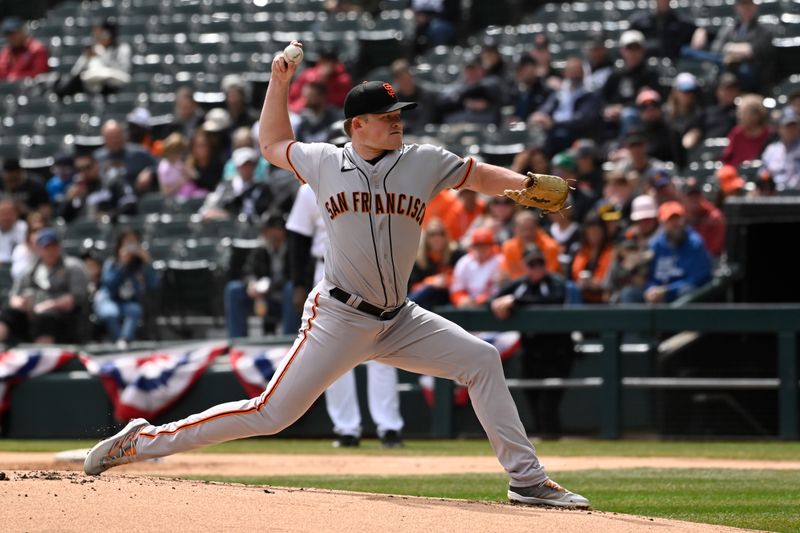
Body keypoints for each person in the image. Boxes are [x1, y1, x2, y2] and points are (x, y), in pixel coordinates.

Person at [84, 42, 590, 509]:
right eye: (385, 117)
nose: (397, 122)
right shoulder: (325, 161)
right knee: (270, 414)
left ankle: (526, 480)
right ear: (356, 125)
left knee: (481, 360)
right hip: (338, 317)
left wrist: (521, 184)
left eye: (399, 114)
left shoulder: (423, 161)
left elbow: (477, 175)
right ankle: (141, 441)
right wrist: (278, 83)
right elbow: (272, 143)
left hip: (401, 319)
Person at [285, 184, 405, 449]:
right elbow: (298, 238)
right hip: (326, 271)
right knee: (333, 354)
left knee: (383, 349)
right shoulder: (311, 188)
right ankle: (347, 429)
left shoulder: (375, 181)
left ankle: (389, 427)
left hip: (372, 271)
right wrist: (298, 283)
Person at [490, 247, 574, 438]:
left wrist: (516, 302)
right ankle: (544, 439)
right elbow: (492, 300)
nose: (536, 268)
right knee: (531, 396)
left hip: (557, 352)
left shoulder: (556, 283)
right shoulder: (520, 285)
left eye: (540, 264)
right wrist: (498, 303)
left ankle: (551, 436)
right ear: (525, 267)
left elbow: (554, 300)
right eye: (531, 264)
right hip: (532, 352)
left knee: (548, 402)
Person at [0, 228, 88, 346]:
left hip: (61, 318)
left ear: (59, 247)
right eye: (46, 247)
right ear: (38, 248)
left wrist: (48, 305)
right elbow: (14, 296)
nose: (50, 250)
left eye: (53, 246)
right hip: (30, 313)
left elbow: (76, 298)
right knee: (8, 313)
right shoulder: (30, 270)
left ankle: (42, 357)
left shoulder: (72, 267)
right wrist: (20, 303)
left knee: (44, 318)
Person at [224, 213, 288, 338]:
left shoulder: (292, 248)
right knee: (234, 289)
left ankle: (291, 343)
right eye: (269, 230)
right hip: (261, 298)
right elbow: (248, 271)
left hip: (283, 296)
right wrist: (251, 283)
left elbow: (292, 276)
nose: (273, 234)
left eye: (277, 230)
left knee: (290, 289)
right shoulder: (261, 248)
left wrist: (269, 287)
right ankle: (238, 342)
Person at [94, 230, 158, 346]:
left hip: (129, 302)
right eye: (127, 243)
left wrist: (148, 263)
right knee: (110, 313)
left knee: (134, 310)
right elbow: (109, 285)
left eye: (133, 243)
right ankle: (120, 343)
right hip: (110, 300)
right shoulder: (112, 263)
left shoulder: (140, 265)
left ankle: (124, 341)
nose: (130, 246)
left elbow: (153, 284)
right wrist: (122, 264)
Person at [642, 201, 713, 304]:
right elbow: (649, 276)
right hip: (658, 299)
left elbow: (698, 279)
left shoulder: (695, 243)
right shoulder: (656, 245)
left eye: (678, 219)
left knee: (687, 291)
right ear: (662, 223)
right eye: (670, 220)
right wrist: (651, 289)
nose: (676, 224)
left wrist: (669, 291)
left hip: (686, 299)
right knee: (630, 293)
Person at [531, 56, 603, 156]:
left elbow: (583, 119)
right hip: (554, 131)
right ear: (565, 72)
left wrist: (555, 123)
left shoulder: (590, 92)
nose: (573, 73)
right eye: (570, 70)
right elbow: (548, 106)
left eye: (576, 70)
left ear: (582, 71)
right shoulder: (561, 91)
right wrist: (541, 115)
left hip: (577, 134)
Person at [55, 17, 131, 97]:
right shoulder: (96, 48)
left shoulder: (123, 48)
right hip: (96, 83)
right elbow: (75, 72)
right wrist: (87, 57)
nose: (99, 36)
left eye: (103, 33)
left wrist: (103, 62)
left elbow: (123, 71)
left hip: (116, 80)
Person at [59, 153, 137, 222]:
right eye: (79, 169)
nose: (84, 172)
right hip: (86, 232)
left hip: (110, 229)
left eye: (88, 167)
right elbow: (64, 218)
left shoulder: (112, 182)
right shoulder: (76, 189)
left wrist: (108, 216)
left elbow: (129, 204)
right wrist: (69, 200)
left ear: (96, 165)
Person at [93, 119, 158, 191]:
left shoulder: (139, 153)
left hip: (137, 196)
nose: (115, 140)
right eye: (111, 138)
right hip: (108, 199)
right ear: (104, 139)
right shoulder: (97, 158)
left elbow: (159, 166)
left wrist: (149, 172)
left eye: (117, 136)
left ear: (124, 136)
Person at [682, 72, 740, 151]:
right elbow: (694, 132)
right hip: (709, 155)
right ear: (717, 91)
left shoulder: (741, 113)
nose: (728, 93)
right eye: (725, 89)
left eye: (732, 89)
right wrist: (692, 137)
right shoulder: (707, 113)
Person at [450, 227, 502, 308]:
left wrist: (481, 300)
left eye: (485, 245)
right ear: (473, 246)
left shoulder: (500, 261)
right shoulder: (464, 262)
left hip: (492, 305)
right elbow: (456, 290)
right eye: (478, 245)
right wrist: (462, 299)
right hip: (469, 307)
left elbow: (501, 290)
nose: (481, 249)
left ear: (492, 246)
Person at [630, 0, 695, 60]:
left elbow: (695, 34)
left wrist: (700, 32)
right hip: (645, 67)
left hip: (674, 65)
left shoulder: (682, 23)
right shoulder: (638, 22)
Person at [720, 94, 771, 167]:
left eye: (744, 113)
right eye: (739, 113)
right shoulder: (736, 133)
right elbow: (726, 160)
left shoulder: (770, 134)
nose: (740, 116)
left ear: (757, 115)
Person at [683, 178, 726, 258]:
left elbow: (714, 249)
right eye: (690, 197)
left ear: (701, 196)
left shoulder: (714, 217)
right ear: (684, 198)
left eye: (696, 196)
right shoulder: (679, 216)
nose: (694, 200)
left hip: (709, 260)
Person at [761, 108, 800, 190]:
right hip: (774, 195)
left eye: (794, 126)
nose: (791, 130)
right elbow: (763, 174)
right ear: (780, 129)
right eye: (788, 127)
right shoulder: (771, 150)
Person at [0, 17, 49, 81]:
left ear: (22, 32)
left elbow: (39, 73)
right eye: (8, 35)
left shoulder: (37, 49)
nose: (11, 37)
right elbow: (2, 70)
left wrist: (16, 76)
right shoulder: (7, 51)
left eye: (14, 33)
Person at [0, 199, 25, 265]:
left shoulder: (25, 228)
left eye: (9, 213)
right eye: (3, 213)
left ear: (16, 214)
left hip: (19, 266)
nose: (6, 217)